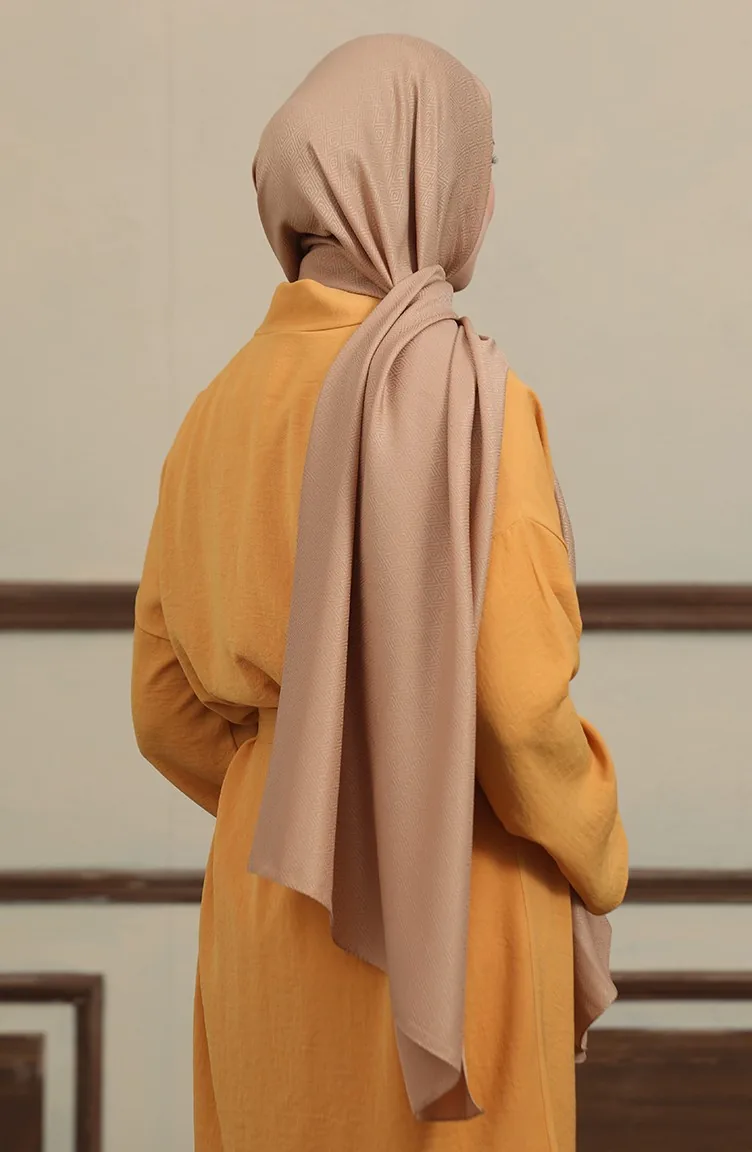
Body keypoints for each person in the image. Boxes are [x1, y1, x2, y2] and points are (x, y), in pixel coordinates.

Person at [132, 34, 628, 1152]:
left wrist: (300, 791)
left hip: (268, 896)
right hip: (453, 894)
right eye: (478, 163)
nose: (484, 199)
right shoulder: (465, 394)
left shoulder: (213, 411)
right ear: (415, 172)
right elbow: (512, 706)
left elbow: (162, 711)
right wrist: (596, 841)